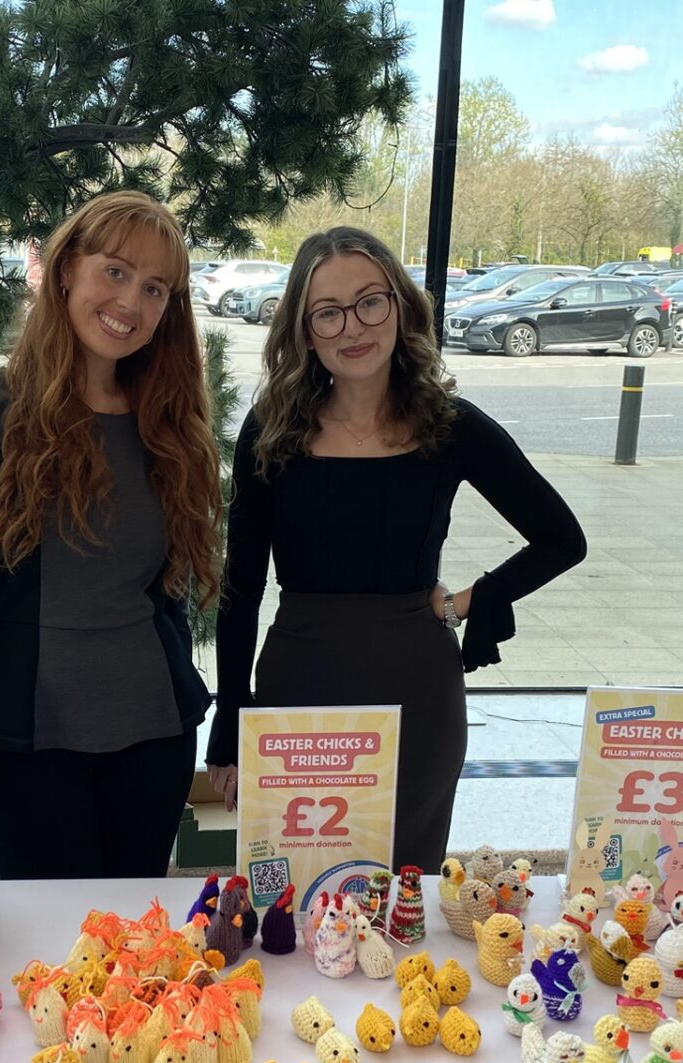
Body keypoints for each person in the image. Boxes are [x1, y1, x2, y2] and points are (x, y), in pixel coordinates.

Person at [204, 226, 587, 871]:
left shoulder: (451, 426)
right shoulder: (271, 430)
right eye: (327, 312)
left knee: (405, 901)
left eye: (369, 301)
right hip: (298, 693)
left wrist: (468, 602)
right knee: (291, 903)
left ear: (400, 305)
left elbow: (561, 539)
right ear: (303, 328)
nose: (352, 327)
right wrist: (229, 723)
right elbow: (241, 589)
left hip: (419, 696)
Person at [0, 192, 222, 879]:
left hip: (154, 734)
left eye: (155, 289)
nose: (132, 303)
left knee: (135, 948)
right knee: (51, 951)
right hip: (25, 737)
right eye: (115, 272)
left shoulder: (166, 422)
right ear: (64, 272)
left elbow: (168, 593)